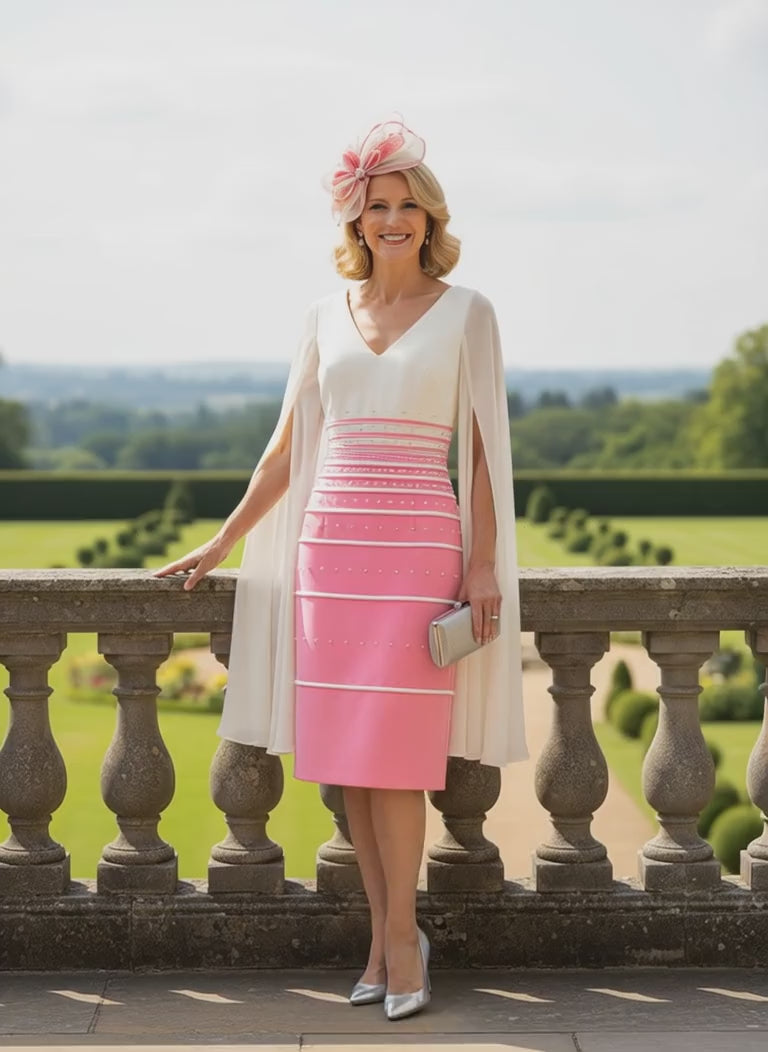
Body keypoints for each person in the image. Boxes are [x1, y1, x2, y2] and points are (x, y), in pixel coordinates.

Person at [154, 118, 528, 1021]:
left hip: (417, 554)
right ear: (355, 221)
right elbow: (283, 455)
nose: (392, 220)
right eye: (376, 207)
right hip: (332, 555)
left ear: (428, 218)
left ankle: (406, 942)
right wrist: (223, 540)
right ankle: (380, 938)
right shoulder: (324, 315)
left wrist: (483, 566)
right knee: (354, 769)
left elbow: (480, 452)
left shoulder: (469, 311)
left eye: (407, 206)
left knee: (397, 764)